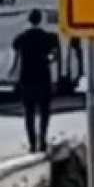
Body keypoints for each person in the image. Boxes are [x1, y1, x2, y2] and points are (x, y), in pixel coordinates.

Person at [9, 10, 60, 153]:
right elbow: (54, 58)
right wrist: (49, 63)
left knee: (29, 112)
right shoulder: (48, 38)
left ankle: (32, 143)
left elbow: (15, 60)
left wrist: (12, 73)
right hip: (43, 78)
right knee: (44, 112)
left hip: (26, 79)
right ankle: (42, 141)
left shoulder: (21, 38)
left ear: (28, 20)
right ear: (40, 20)